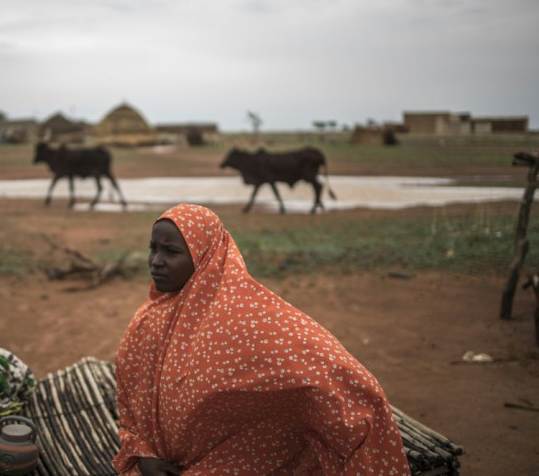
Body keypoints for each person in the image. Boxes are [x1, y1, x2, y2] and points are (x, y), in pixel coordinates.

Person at [113, 203, 411, 475]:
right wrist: (143, 454)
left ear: (206, 255)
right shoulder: (149, 318)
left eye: (171, 252)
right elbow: (128, 399)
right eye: (153, 249)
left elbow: (317, 361)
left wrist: (362, 404)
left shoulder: (246, 315)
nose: (156, 261)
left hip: (234, 459)